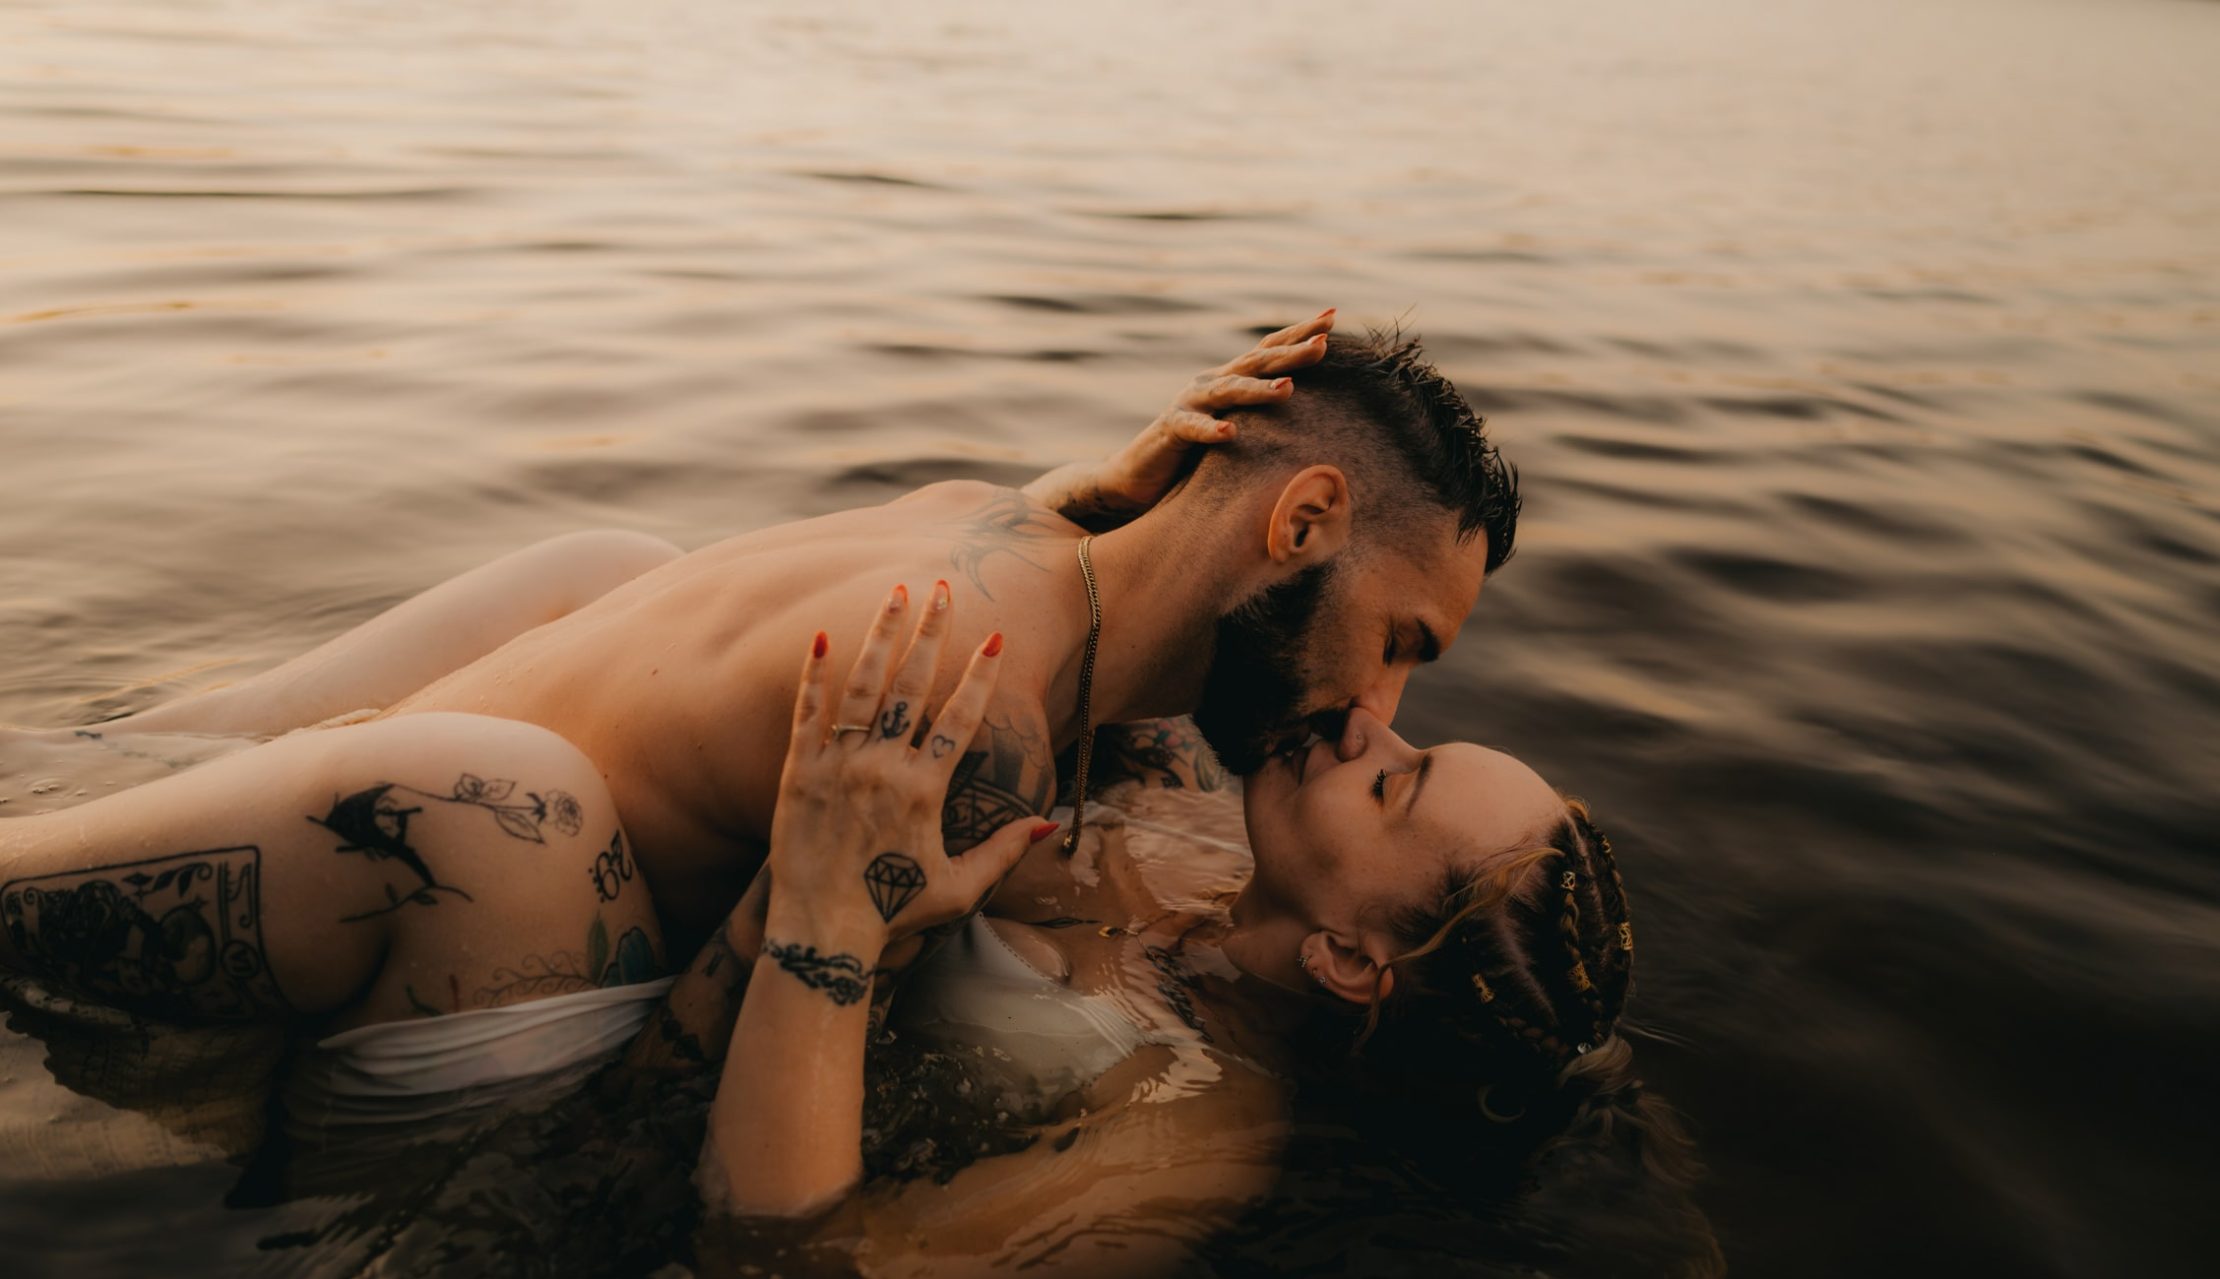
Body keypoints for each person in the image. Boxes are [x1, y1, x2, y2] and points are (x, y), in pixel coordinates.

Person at [0, 585, 1688, 1279]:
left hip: (574, 1153)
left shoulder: (1182, 1142)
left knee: (485, 806)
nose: (1371, 723)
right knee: (613, 579)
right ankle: (89, 767)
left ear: (1352, 962)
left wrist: (821, 908)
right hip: (698, 970)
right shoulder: (1191, 819)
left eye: (1398, 781)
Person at [66, 311, 1521, 973]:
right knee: (530, 810)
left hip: (301, 780)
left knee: (619, 566)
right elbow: (721, 1069)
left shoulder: (990, 521)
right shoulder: (981, 728)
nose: (1376, 707)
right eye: (1401, 643)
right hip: (431, 873)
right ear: (1301, 520)